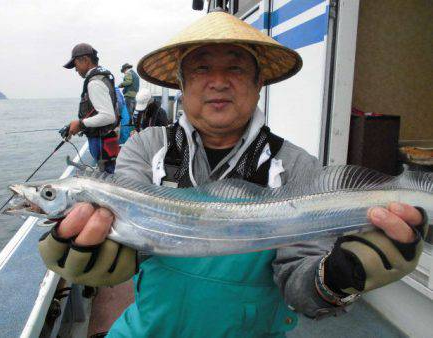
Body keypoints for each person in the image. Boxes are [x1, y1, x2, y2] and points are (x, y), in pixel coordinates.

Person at [40, 11, 428, 337]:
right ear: (182, 84)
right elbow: (129, 250)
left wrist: (339, 276)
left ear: (259, 84)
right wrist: (103, 257)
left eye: (237, 69)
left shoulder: (296, 166)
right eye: (202, 68)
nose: (219, 81)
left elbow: (301, 288)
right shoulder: (146, 148)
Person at [64, 43, 119, 173]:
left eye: (75, 64)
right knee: (109, 172)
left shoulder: (94, 82)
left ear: (86, 60)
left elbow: (107, 116)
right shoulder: (103, 77)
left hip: (101, 142)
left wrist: (81, 123)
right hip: (107, 138)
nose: (75, 69)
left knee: (107, 177)